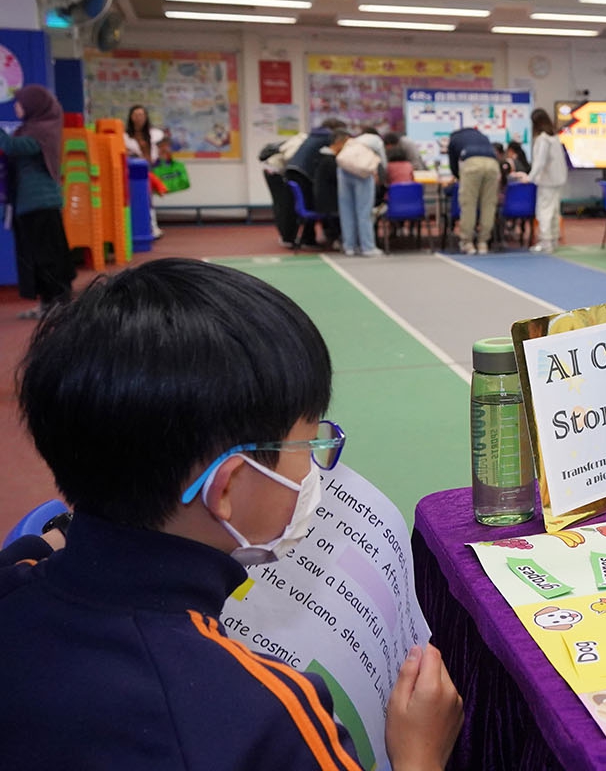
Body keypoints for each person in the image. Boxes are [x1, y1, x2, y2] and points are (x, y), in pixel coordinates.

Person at [0, 258, 463, 770]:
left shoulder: (13, 590)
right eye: (307, 443)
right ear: (228, 488)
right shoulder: (269, 716)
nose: (314, 467)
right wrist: (421, 754)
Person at [0, 85, 75, 318]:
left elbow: (13, 147)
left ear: (33, 104)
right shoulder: (30, 128)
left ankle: (58, 303)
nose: (16, 106)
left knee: (48, 256)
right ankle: (46, 303)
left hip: (41, 203)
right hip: (27, 205)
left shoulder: (43, 130)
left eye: (20, 102)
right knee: (35, 256)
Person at [287, 119, 345, 249]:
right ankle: (308, 240)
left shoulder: (315, 134)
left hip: (294, 169)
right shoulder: (328, 137)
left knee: (309, 203)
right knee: (313, 204)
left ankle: (309, 237)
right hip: (303, 172)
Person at [447, 125, 501, 254]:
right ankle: (483, 243)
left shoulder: (454, 139)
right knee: (488, 204)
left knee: (469, 204)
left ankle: (468, 243)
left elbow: (453, 164)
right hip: (493, 164)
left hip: (472, 164)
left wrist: (458, 177)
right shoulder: (482, 136)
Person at [334, 126, 387, 257]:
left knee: (346, 211)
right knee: (364, 211)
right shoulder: (376, 140)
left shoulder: (354, 141)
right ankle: (368, 247)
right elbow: (383, 161)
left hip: (344, 170)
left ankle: (349, 246)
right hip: (362, 174)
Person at [123, 104, 169, 239]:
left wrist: (162, 152)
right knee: (138, 199)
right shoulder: (125, 136)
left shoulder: (154, 134)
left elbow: (163, 148)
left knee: (149, 199)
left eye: (142, 115)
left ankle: (152, 227)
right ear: (131, 117)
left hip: (150, 169)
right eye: (136, 115)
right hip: (134, 171)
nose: (139, 118)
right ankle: (142, 227)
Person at [528, 109, 568, 253]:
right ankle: (553, 239)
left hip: (547, 180)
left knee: (544, 211)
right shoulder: (554, 137)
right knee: (554, 210)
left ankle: (546, 241)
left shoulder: (543, 139)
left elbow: (540, 162)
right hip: (558, 179)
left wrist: (530, 177)